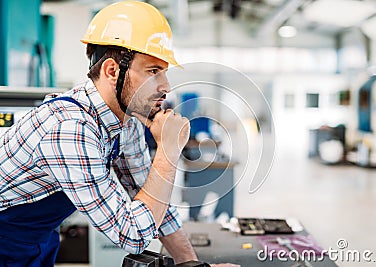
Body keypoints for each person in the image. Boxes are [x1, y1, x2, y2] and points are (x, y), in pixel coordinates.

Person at [0, 1, 239, 266]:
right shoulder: (68, 130)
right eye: (153, 71)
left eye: (164, 72)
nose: (166, 86)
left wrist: (191, 264)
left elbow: (155, 204)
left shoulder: (128, 120)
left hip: (35, 241)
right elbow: (132, 234)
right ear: (112, 71)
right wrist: (167, 152)